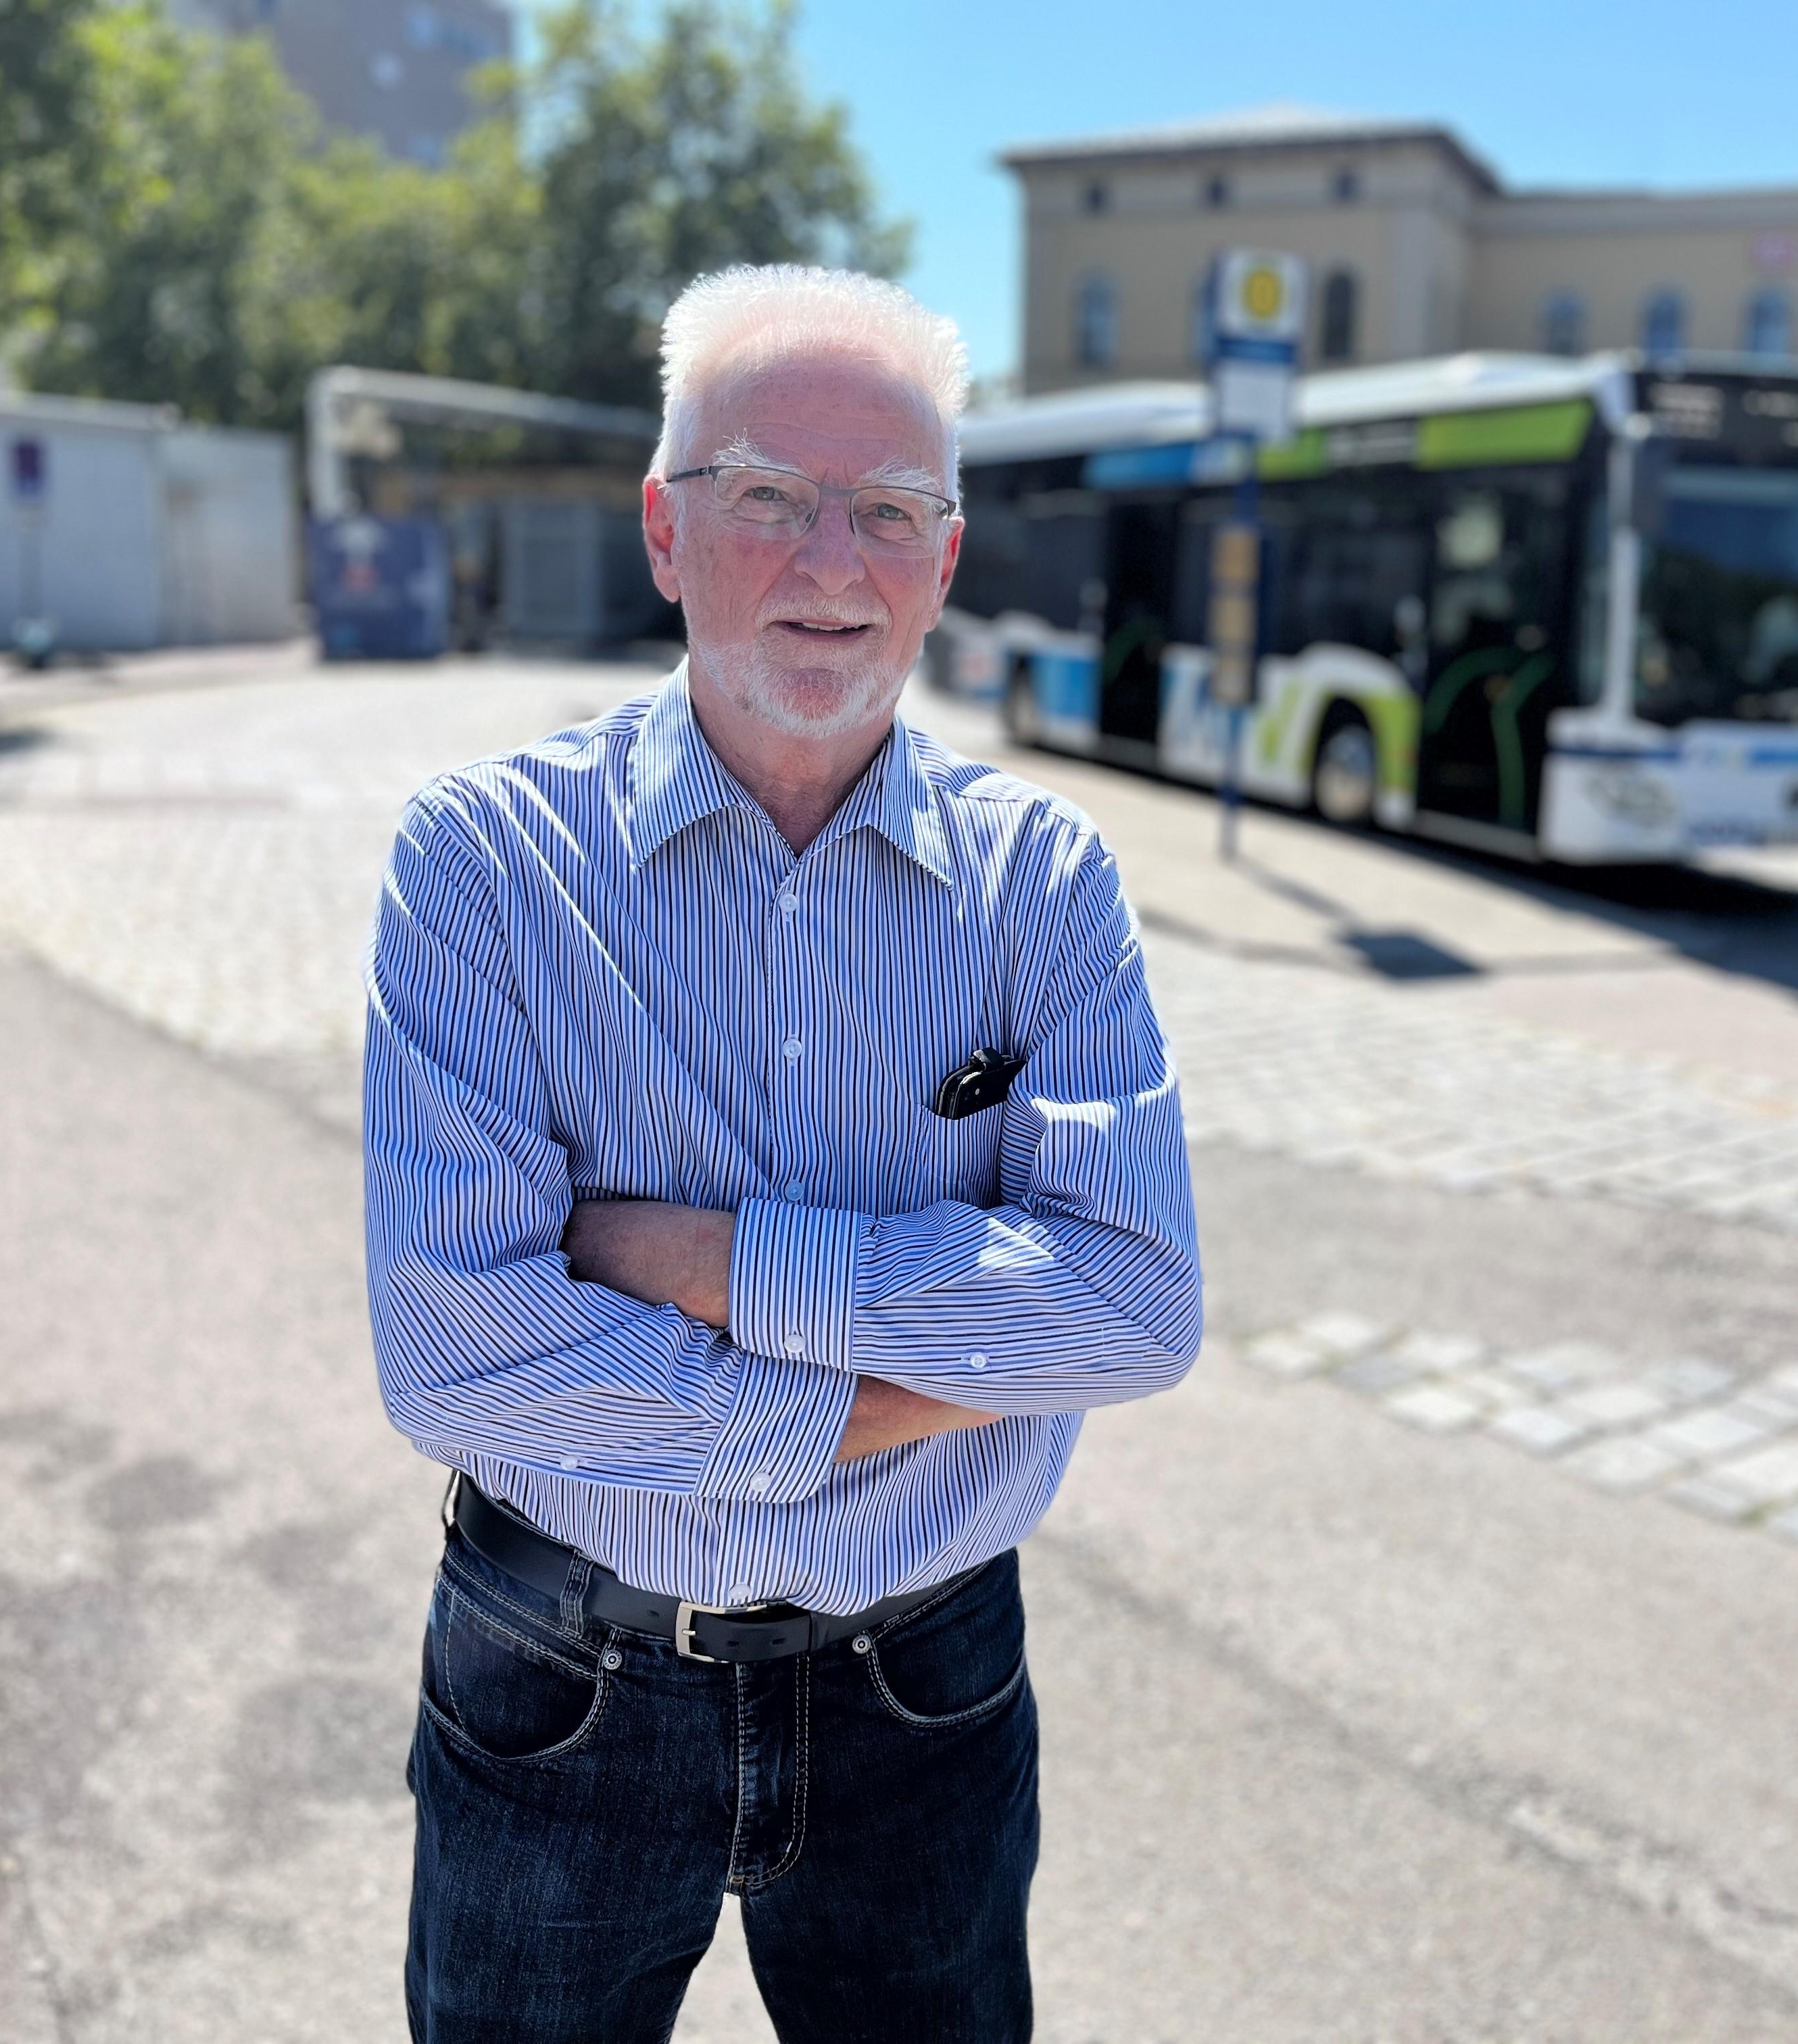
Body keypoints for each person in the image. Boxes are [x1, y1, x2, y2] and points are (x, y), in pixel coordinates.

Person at [364, 264, 1202, 2043]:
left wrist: (700, 1264)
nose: (835, 565)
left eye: (890, 511)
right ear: (668, 531)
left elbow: (1135, 1307)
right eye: (769, 499)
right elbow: (455, 1355)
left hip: (930, 1681)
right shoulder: (484, 865)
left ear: (948, 559)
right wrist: (915, 1379)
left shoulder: (1043, 881)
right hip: (563, 1679)